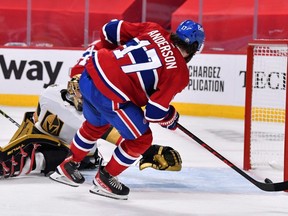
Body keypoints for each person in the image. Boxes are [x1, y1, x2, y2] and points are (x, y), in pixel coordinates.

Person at [49, 18, 205, 200]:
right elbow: (154, 112)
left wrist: (113, 59)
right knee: (142, 140)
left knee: (95, 124)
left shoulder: (154, 29)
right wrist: (170, 118)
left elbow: (109, 30)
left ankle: (66, 167)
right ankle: (106, 178)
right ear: (195, 48)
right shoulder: (179, 72)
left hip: (89, 74)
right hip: (111, 95)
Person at [0, 76, 182, 178]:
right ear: (71, 93)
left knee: (38, 156)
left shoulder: (91, 115)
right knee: (26, 147)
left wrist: (149, 151)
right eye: (81, 95)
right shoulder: (51, 94)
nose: (85, 99)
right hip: (42, 137)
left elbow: (116, 135)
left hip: (76, 156)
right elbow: (37, 118)